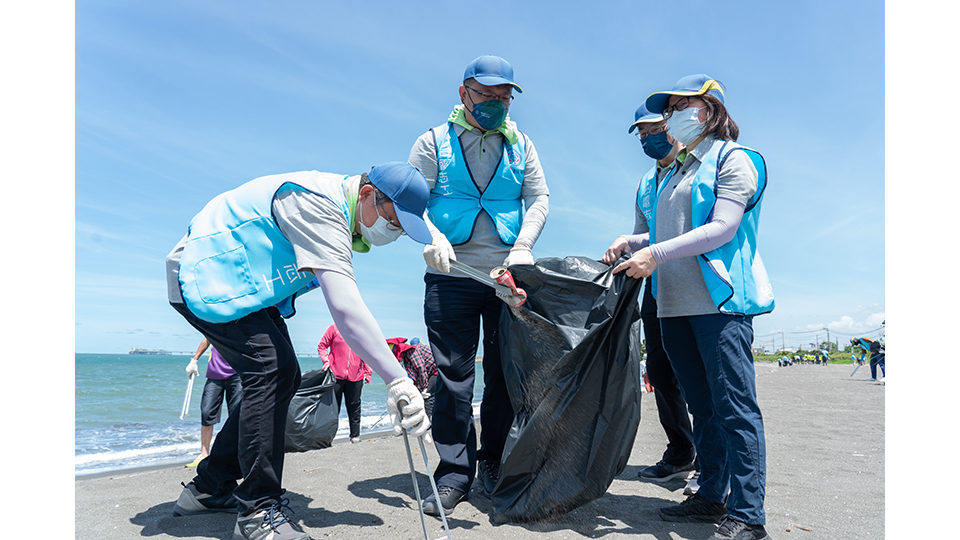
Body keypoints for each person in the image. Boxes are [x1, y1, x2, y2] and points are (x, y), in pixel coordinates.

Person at [166, 162, 434, 540]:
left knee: (284, 374)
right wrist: (398, 378)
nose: (393, 232)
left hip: (234, 287)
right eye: (394, 220)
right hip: (202, 274)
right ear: (369, 194)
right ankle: (258, 513)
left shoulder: (343, 209)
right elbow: (345, 309)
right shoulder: (320, 207)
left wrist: (437, 238)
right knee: (270, 369)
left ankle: (209, 487)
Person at [609, 74, 774, 540]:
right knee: (702, 406)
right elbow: (663, 236)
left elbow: (722, 227)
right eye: (671, 107)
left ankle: (748, 513)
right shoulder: (673, 172)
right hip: (673, 306)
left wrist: (654, 254)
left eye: (682, 106)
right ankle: (711, 495)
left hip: (718, 304)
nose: (672, 116)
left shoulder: (735, 160)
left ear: (709, 110)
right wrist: (633, 242)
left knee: (735, 407)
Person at [407, 54, 550, 515]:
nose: (496, 103)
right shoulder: (432, 142)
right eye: (487, 95)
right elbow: (411, 201)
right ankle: (453, 473)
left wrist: (524, 245)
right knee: (452, 379)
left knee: (506, 375)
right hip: (450, 275)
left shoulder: (522, 144)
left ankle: (492, 461)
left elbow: (539, 196)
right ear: (463, 92)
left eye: (504, 97)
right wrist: (431, 237)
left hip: (507, 276)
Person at [604, 102, 699, 493]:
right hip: (657, 291)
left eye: (653, 129)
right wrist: (626, 243)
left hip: (696, 289)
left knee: (698, 377)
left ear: (672, 124)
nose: (647, 138)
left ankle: (710, 466)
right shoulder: (645, 183)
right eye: (641, 134)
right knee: (659, 373)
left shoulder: (695, 167)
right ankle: (682, 452)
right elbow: (645, 233)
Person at [185, 337, 244, 467]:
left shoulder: (240, 323)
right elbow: (206, 339)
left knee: (236, 415)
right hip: (214, 375)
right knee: (207, 412)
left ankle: (238, 453)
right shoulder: (216, 322)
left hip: (237, 374)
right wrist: (194, 360)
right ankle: (204, 454)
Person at [317, 323, 372, 444]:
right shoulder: (334, 327)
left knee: (354, 407)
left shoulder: (360, 330)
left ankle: (355, 436)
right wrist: (326, 362)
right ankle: (328, 438)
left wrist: (368, 372)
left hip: (356, 377)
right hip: (335, 375)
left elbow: (366, 352)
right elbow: (322, 346)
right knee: (332, 408)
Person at [386, 337, 438, 419]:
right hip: (431, 373)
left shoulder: (412, 352)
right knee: (429, 397)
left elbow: (421, 369)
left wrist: (424, 387)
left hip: (437, 371)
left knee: (427, 397)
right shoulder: (406, 358)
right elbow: (414, 376)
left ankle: (426, 423)